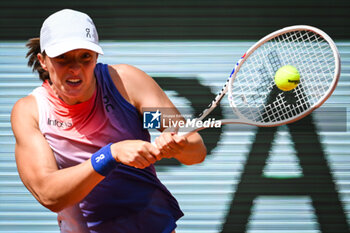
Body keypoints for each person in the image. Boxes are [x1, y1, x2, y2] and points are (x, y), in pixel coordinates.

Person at [11, 9, 206, 233]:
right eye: (62, 58)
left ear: (96, 57)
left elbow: (196, 150)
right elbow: (48, 194)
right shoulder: (30, 111)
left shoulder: (127, 84)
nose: (75, 68)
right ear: (43, 60)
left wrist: (178, 146)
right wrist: (110, 154)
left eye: (85, 57)